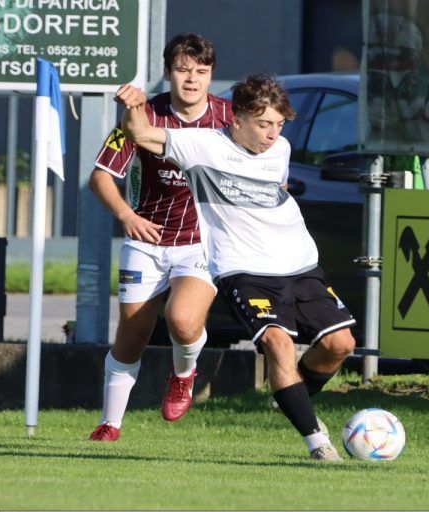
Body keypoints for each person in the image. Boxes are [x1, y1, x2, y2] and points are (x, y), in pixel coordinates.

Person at [114, 74, 357, 461]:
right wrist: (133, 104)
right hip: (243, 269)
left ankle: (291, 398)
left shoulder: (281, 149)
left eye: (278, 125)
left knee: (340, 344)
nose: (271, 134)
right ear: (237, 118)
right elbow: (139, 133)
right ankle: (317, 442)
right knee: (278, 344)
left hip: (300, 264)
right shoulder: (202, 145)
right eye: (263, 124)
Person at [88, 33, 233, 442]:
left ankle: (183, 374)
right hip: (147, 241)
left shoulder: (229, 118)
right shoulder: (141, 115)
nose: (192, 80)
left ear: (210, 76)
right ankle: (109, 424)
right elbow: (100, 176)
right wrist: (125, 214)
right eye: (183, 70)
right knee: (132, 335)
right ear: (168, 72)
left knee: (183, 321)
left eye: (201, 72)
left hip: (201, 243)